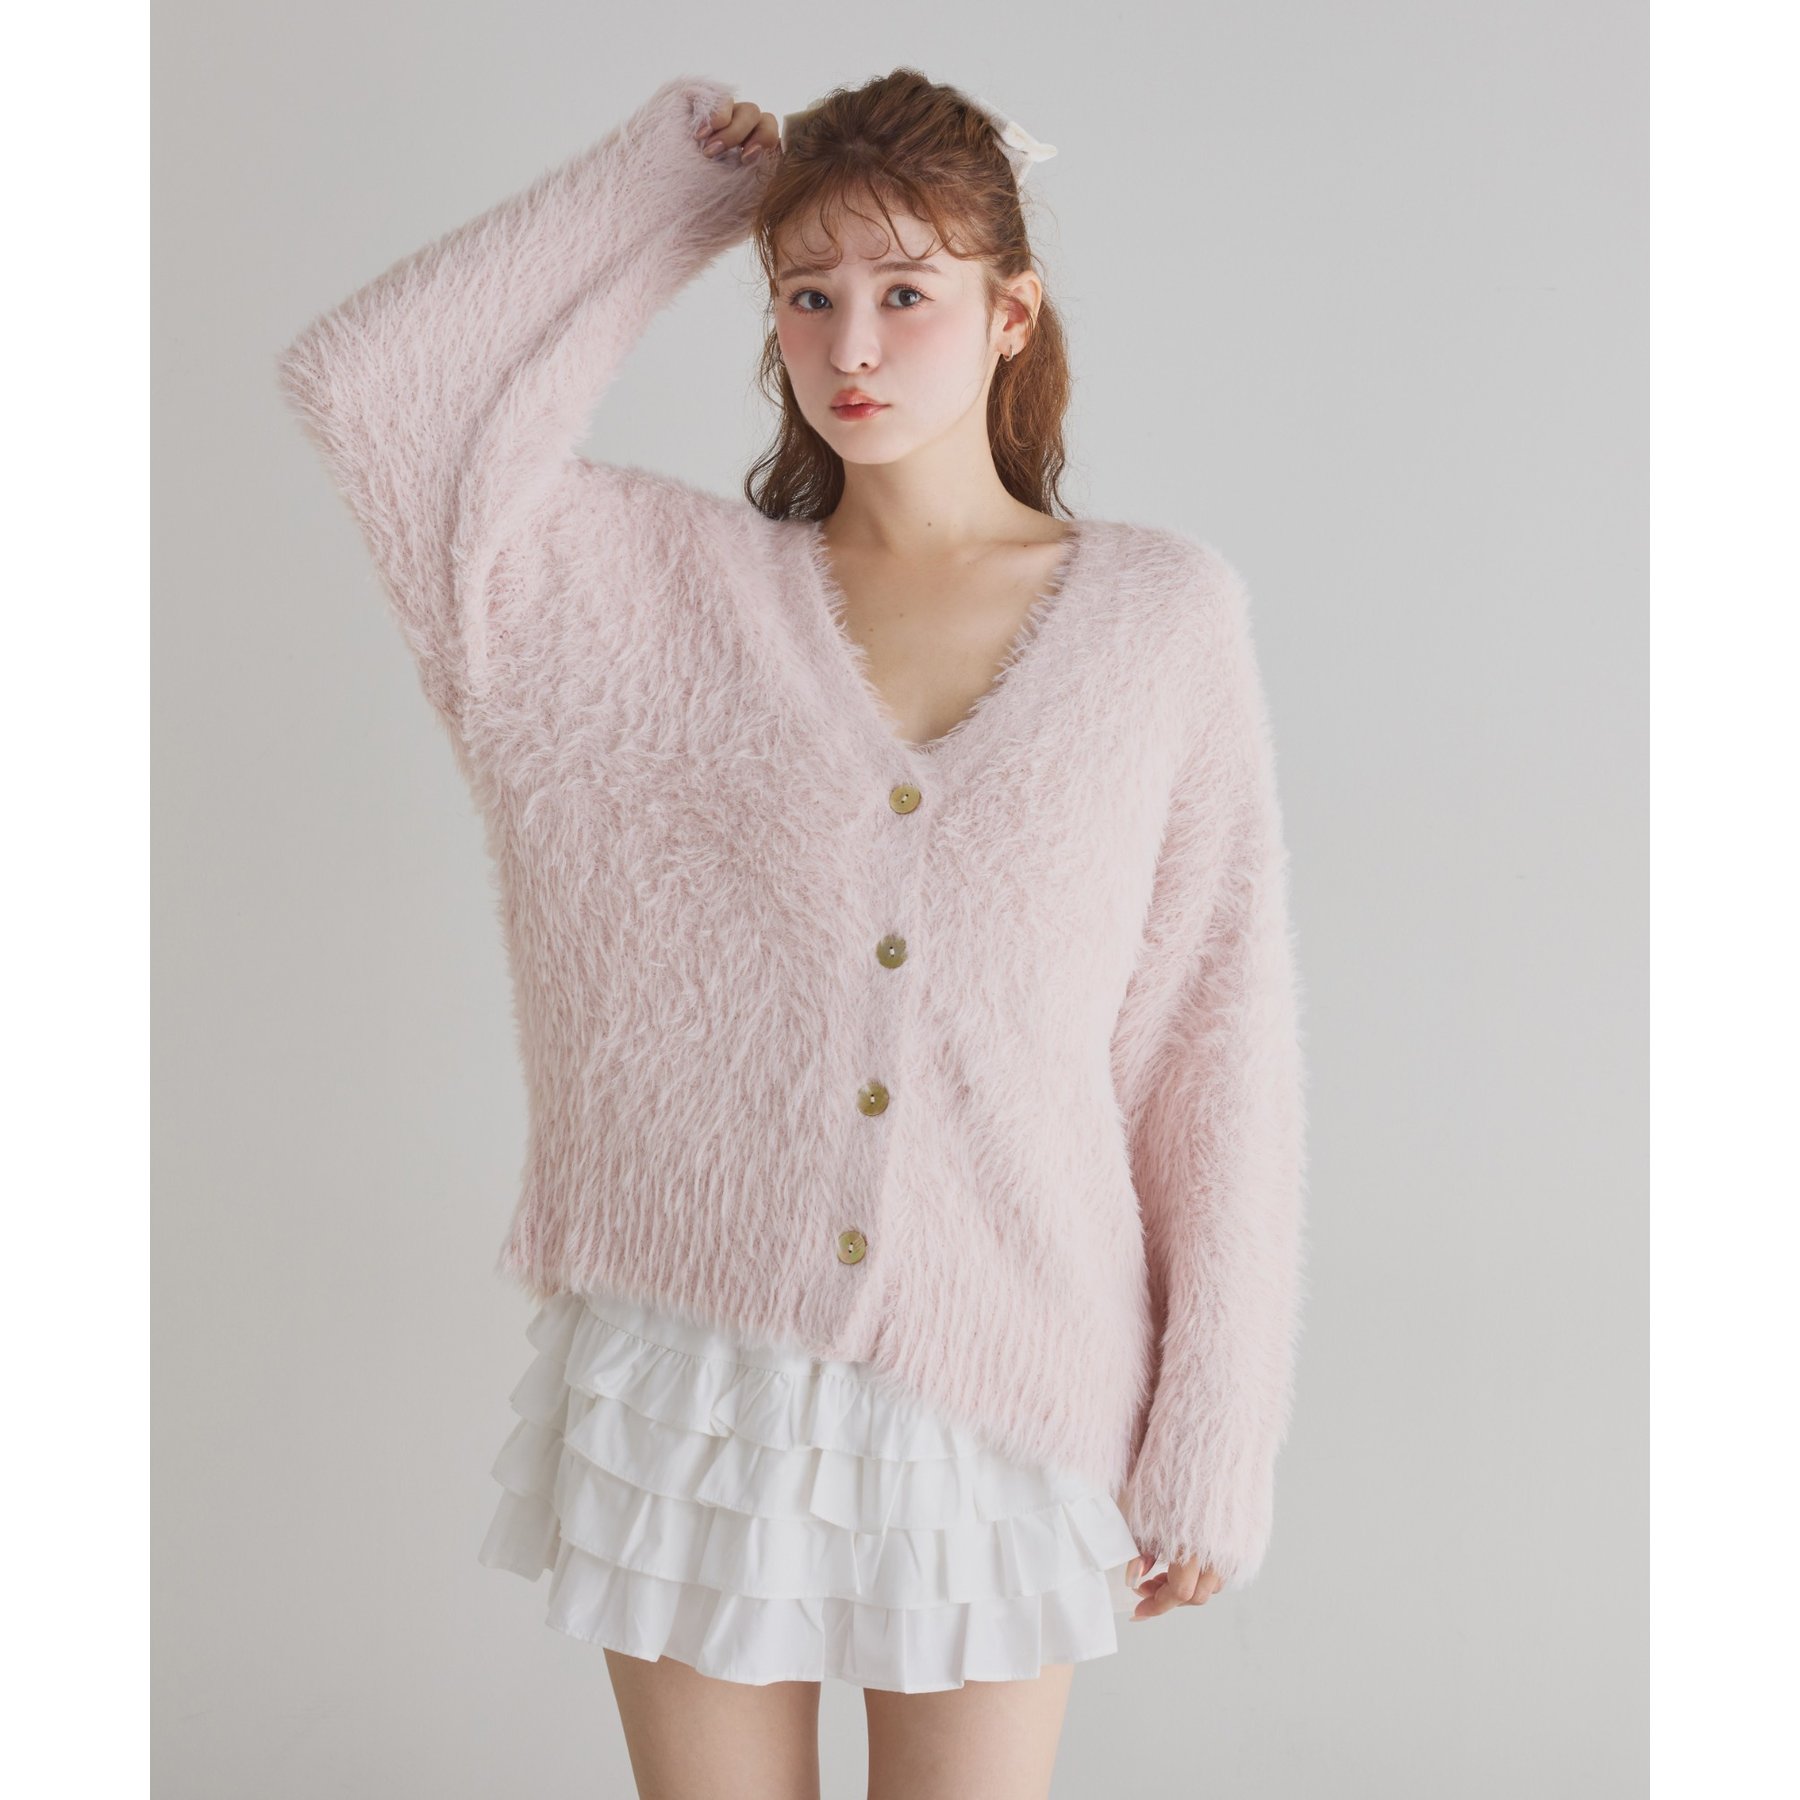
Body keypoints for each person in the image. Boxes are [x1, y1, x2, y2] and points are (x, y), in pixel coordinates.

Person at [277, 67, 1308, 1800]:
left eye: (908, 291)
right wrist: (666, 193)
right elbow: (378, 395)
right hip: (699, 1368)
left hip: (1009, 1375)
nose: (854, 344)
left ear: (1011, 311)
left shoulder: (1160, 619)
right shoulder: (645, 595)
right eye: (808, 293)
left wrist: (1215, 1438)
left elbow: (1216, 1048)